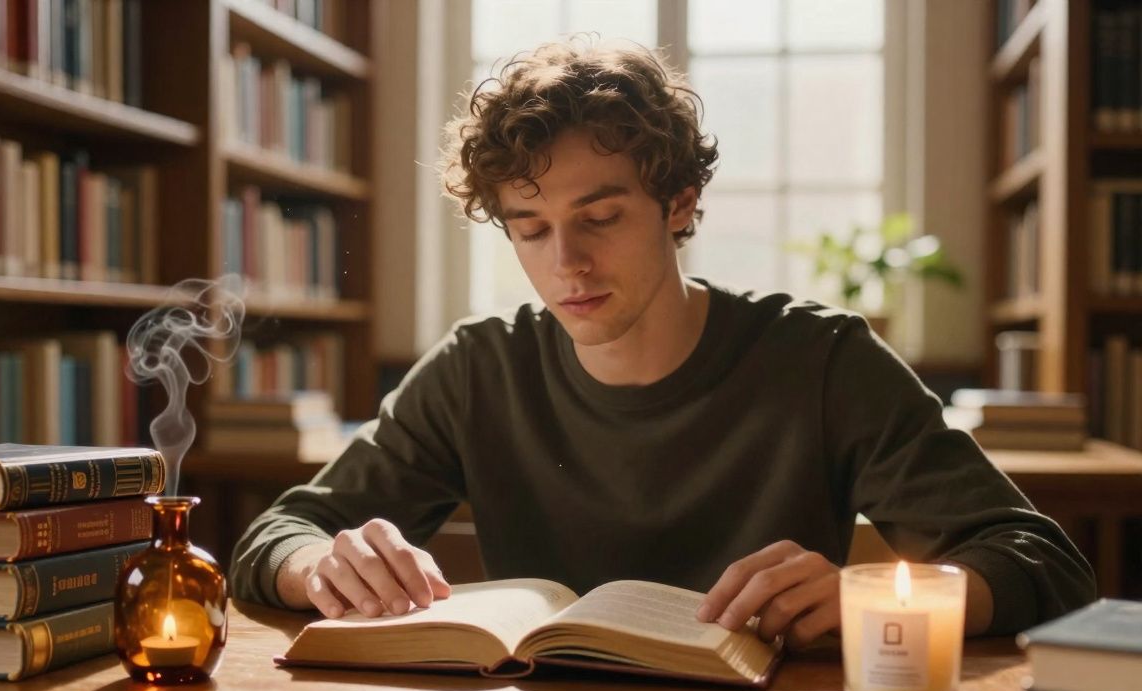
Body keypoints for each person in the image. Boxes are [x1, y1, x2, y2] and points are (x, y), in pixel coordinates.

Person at [229, 38, 1094, 646]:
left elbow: (1045, 564)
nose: (566, 261)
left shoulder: (822, 360)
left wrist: (873, 596)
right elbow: (278, 535)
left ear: (678, 203)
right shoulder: (477, 365)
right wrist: (321, 566)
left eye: (600, 218)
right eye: (529, 228)